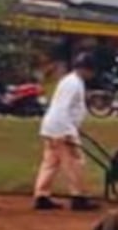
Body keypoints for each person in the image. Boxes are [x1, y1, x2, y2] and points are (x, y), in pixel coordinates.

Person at [33, 52, 98, 212]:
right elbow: (63, 108)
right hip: (61, 128)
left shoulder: (69, 80)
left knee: (50, 163)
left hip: (52, 127)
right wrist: (68, 132)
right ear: (86, 69)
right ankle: (78, 197)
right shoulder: (74, 84)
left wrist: (74, 126)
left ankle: (42, 196)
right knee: (75, 162)